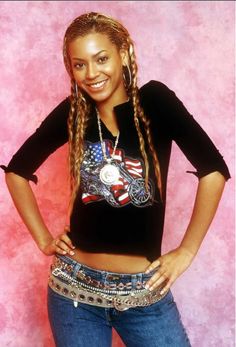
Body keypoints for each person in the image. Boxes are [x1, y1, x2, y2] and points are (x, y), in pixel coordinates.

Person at [1, 12, 231, 347]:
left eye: (101, 58)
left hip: (142, 291)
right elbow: (18, 171)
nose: (91, 73)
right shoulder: (74, 112)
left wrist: (187, 251)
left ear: (123, 53)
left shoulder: (155, 102)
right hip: (73, 290)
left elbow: (213, 170)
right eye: (79, 64)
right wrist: (44, 239)